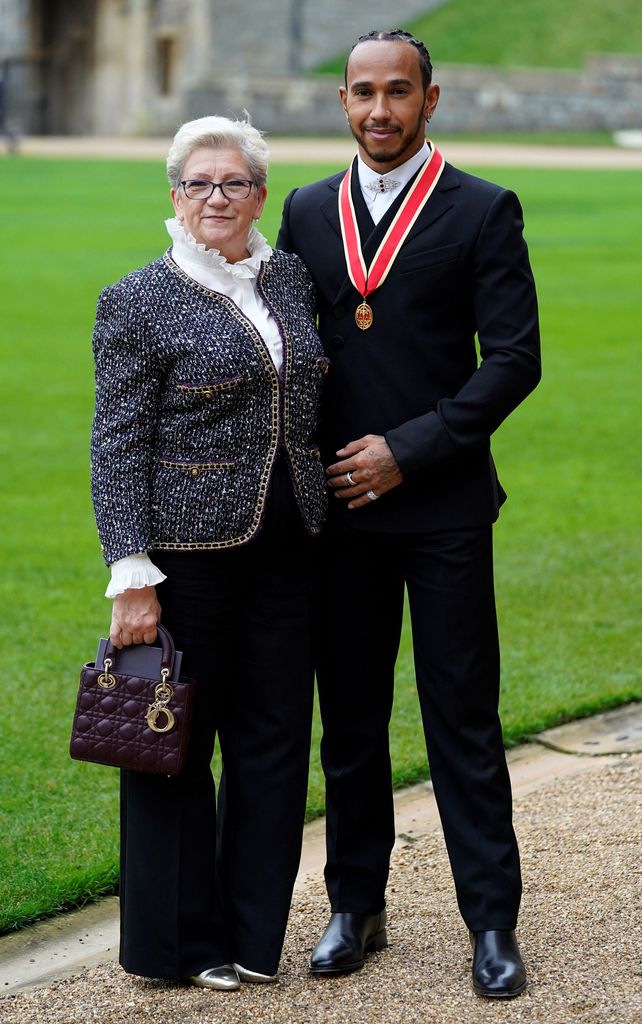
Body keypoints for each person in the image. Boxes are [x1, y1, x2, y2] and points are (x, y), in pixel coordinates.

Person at [277, 29, 541, 999]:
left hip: (442, 508)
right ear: (342, 103)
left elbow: (515, 359)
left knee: (461, 717)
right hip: (339, 515)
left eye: (399, 93)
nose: (379, 111)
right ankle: (357, 903)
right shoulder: (306, 211)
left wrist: (409, 450)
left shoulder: (481, 209)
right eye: (362, 94)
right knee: (348, 718)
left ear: (432, 100)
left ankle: (492, 921)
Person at [90, 115, 327, 990]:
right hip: (186, 555)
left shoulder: (291, 279)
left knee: (271, 741)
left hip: (289, 546)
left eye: (233, 183)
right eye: (198, 183)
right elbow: (115, 444)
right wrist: (131, 574)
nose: (216, 198)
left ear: (261, 194)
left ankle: (252, 938)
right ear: (175, 196)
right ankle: (179, 945)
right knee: (174, 744)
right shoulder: (137, 298)